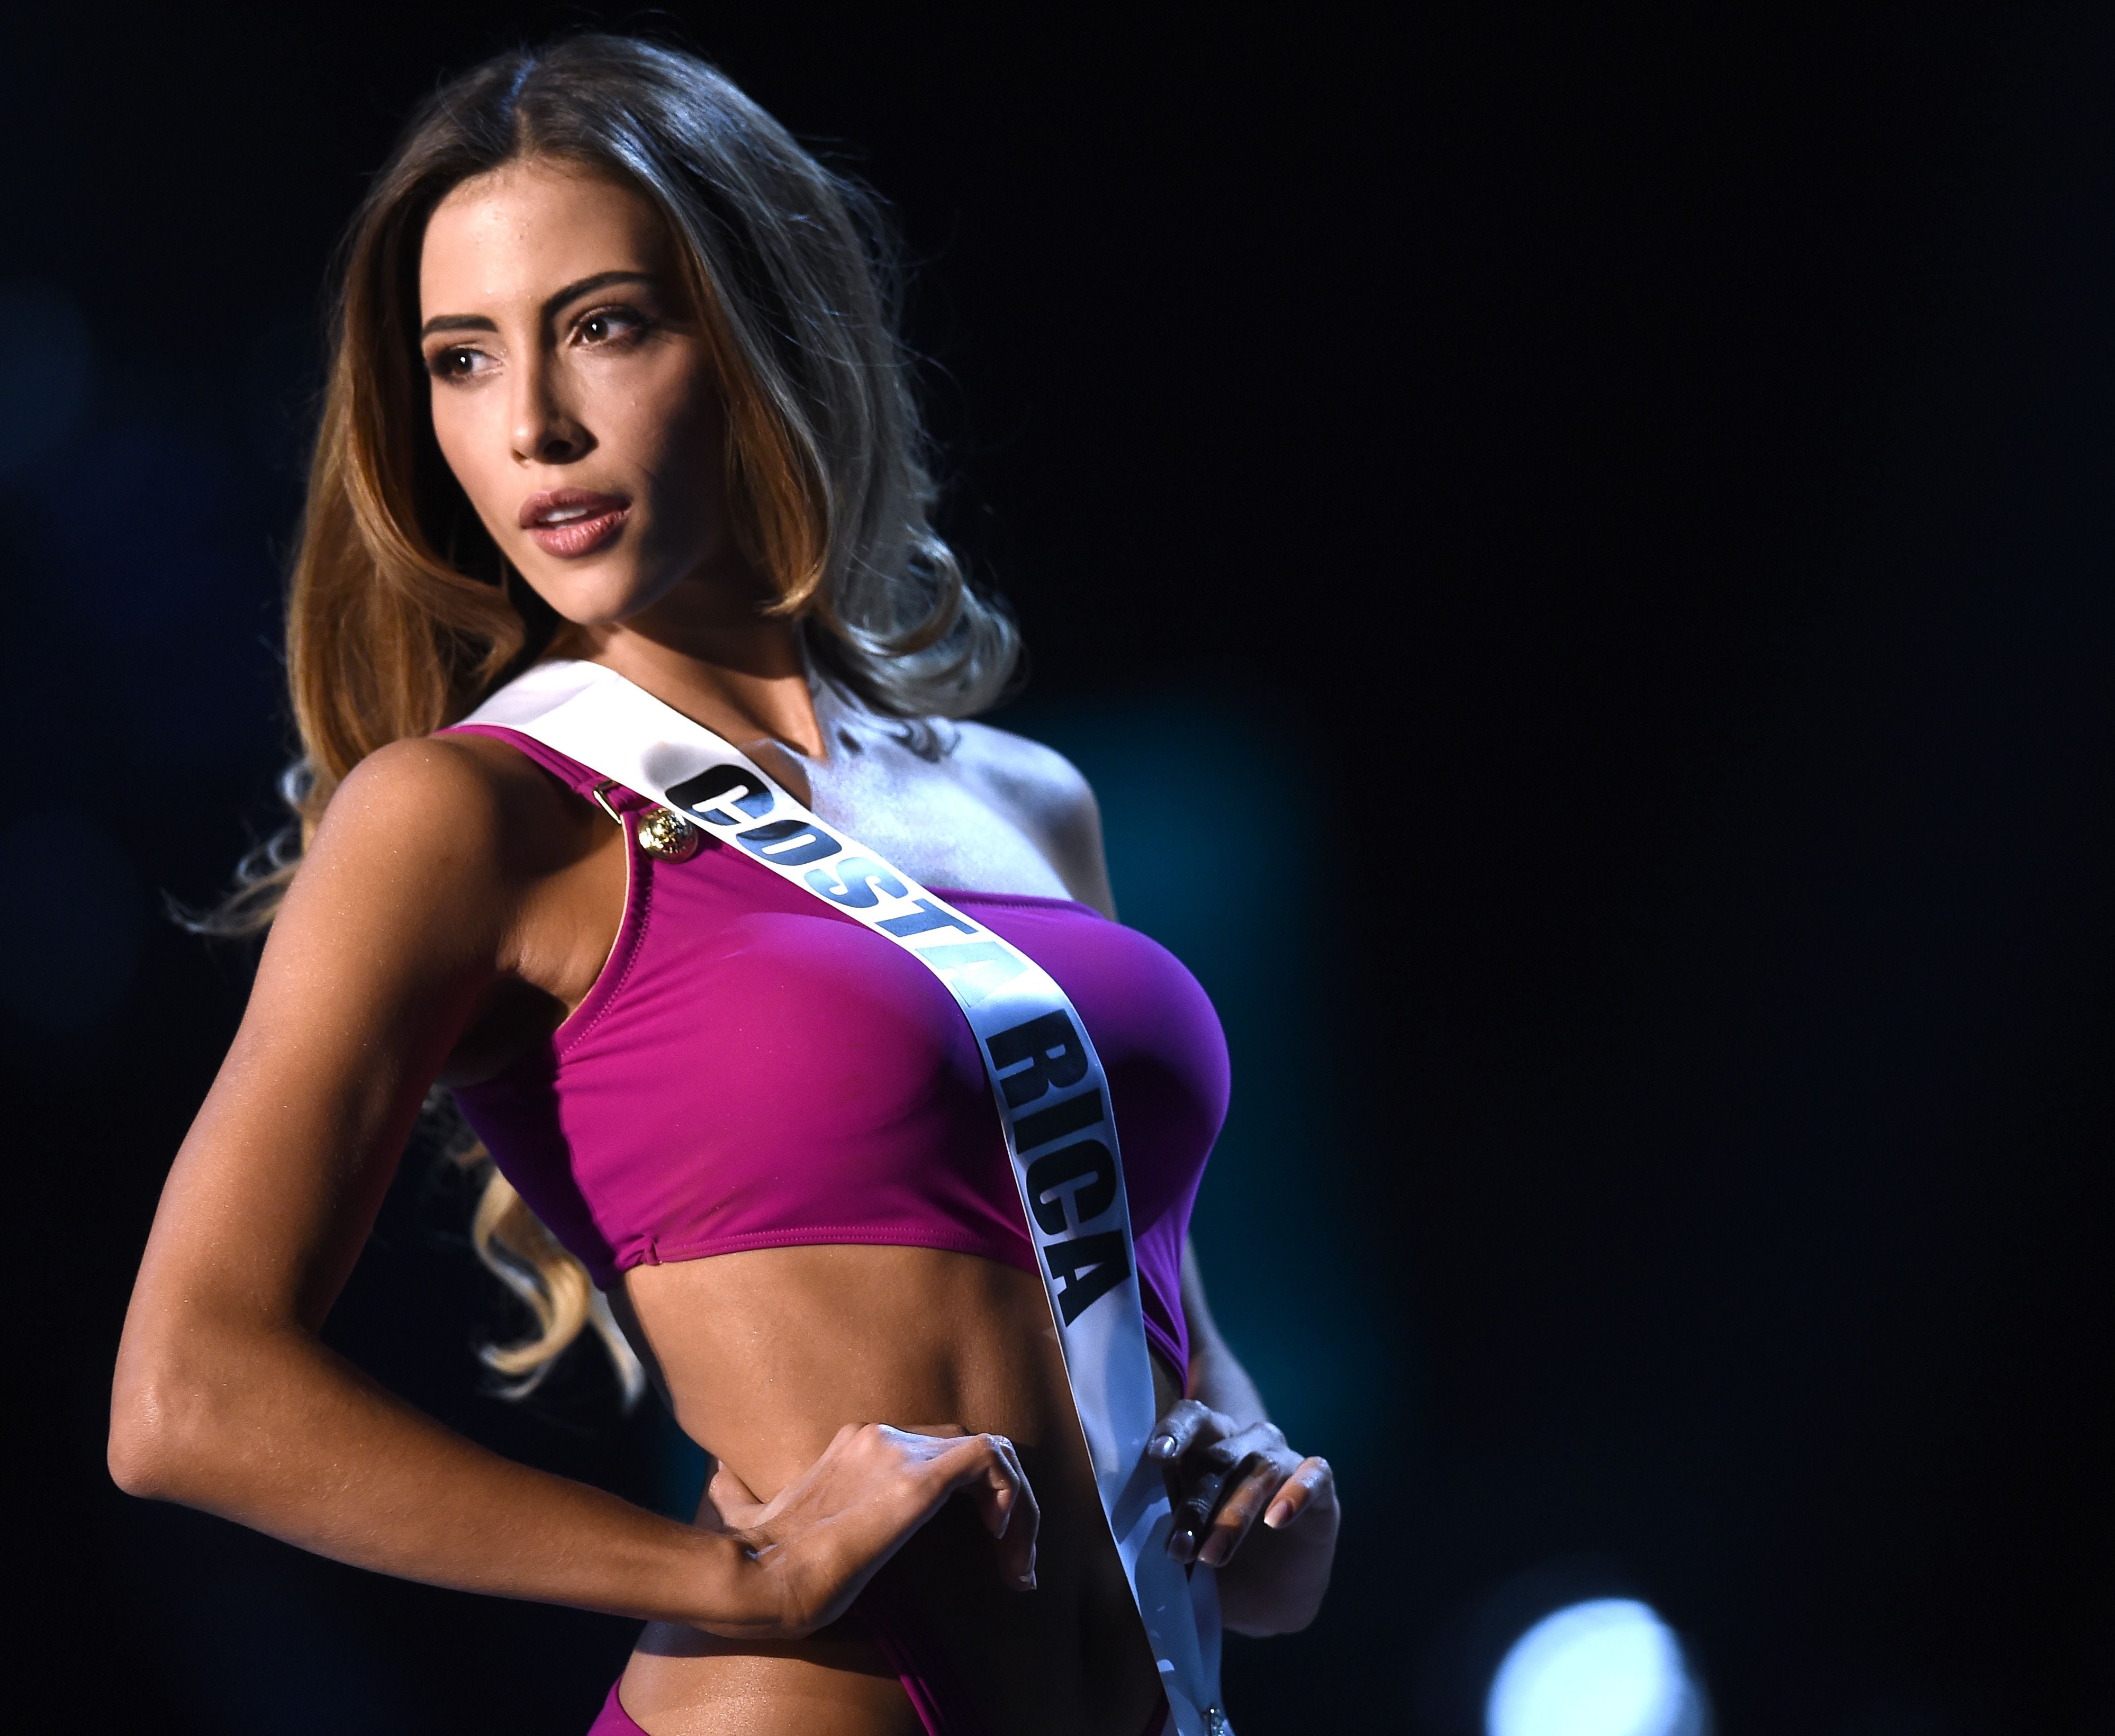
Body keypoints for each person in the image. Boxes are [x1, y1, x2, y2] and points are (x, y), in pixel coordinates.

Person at [109, 35, 1338, 1736]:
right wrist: (728, 1576)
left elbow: (1142, 1283)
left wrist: (1254, 1470)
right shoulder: (474, 819)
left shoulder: (1028, 802)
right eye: (463, 359)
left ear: (764, 329)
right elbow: (186, 1395)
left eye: (602, 326)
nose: (534, 426)